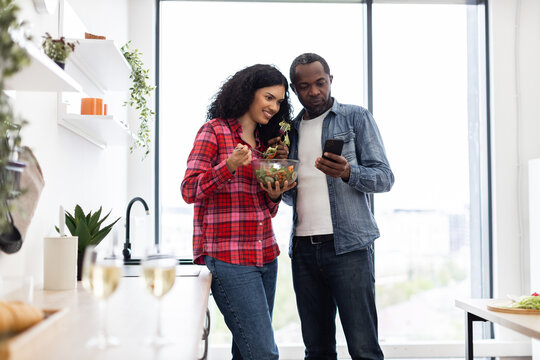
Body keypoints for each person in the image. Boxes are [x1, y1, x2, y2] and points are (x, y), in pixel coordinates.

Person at [283, 53, 394, 360]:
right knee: (316, 350)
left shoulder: (355, 118)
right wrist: (282, 189)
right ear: (294, 89)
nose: (314, 91)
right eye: (304, 86)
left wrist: (348, 172)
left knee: (363, 349)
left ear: (331, 80)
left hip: (349, 247)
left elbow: (385, 178)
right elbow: (295, 195)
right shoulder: (290, 131)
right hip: (303, 249)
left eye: (320, 83)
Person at [181, 64, 295, 360]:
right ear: (248, 92)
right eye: (268, 97)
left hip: (265, 256)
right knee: (263, 354)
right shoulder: (214, 132)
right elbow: (189, 190)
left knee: (246, 353)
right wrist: (229, 166)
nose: (274, 107)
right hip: (228, 258)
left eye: (279, 102)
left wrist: (274, 194)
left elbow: (266, 210)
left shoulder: (264, 145)